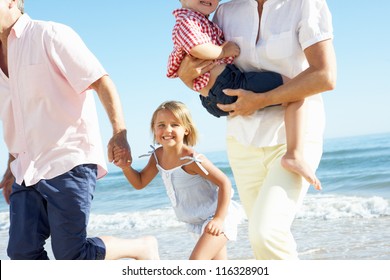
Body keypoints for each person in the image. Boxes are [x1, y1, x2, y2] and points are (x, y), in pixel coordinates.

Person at [0, 0, 159, 260]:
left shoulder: (49, 34)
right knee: (21, 253)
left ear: (13, 1)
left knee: (71, 255)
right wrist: (11, 162)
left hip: (68, 160)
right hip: (25, 170)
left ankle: (141, 247)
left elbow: (101, 81)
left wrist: (119, 132)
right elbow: (16, 117)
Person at [177, 0, 337, 259]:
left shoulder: (305, 4)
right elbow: (209, 73)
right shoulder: (226, 12)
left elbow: (325, 76)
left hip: (293, 138)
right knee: (264, 243)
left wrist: (263, 100)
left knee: (267, 233)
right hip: (243, 141)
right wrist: (186, 77)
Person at [167, 0, 321, 189]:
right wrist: (223, 51)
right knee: (296, 89)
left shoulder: (200, 18)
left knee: (294, 91)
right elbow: (196, 49)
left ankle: (292, 153)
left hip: (216, 93)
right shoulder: (189, 20)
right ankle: (294, 155)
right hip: (229, 85)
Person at [114, 101, 242, 260]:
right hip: (196, 221)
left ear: (186, 129)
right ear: (154, 129)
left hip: (218, 217)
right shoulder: (158, 156)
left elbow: (225, 183)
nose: (167, 130)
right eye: (161, 125)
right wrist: (126, 167)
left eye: (174, 124)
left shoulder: (191, 159)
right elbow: (140, 183)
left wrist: (218, 219)